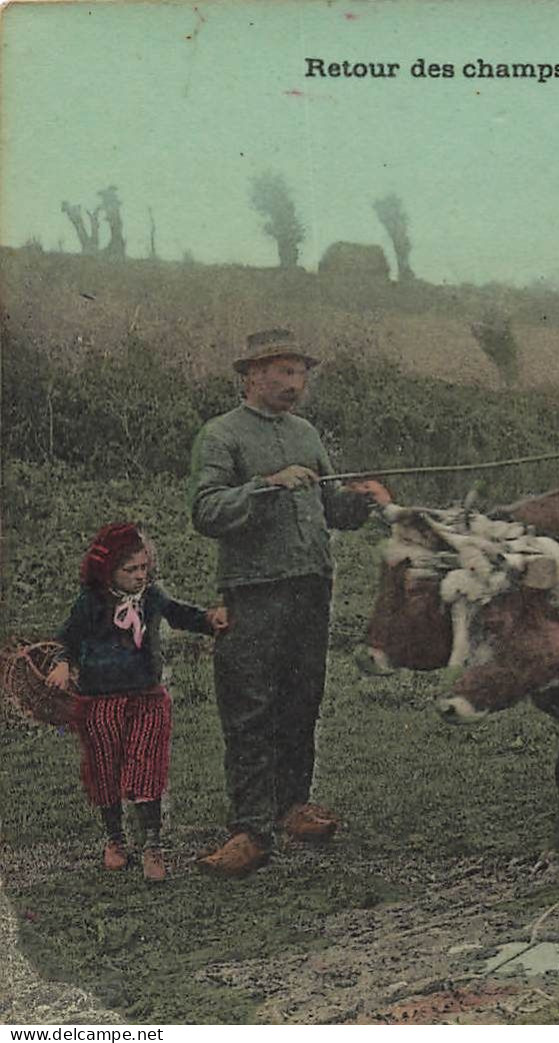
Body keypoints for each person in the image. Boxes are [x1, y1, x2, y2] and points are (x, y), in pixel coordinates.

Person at [188, 328, 392, 878]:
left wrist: (364, 500)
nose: (295, 383)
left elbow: (331, 507)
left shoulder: (305, 433)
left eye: (301, 373)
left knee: (302, 700)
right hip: (254, 592)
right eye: (284, 372)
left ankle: (293, 808)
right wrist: (268, 485)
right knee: (250, 707)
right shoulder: (221, 436)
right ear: (252, 375)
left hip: (310, 587)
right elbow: (206, 511)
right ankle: (250, 830)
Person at [48, 523, 227, 882]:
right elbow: (66, 638)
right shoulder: (90, 601)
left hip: (146, 695)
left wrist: (209, 619)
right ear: (107, 569)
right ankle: (115, 839)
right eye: (130, 569)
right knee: (105, 768)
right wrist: (62, 663)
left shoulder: (150, 596)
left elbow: (179, 613)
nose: (139, 575)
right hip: (99, 700)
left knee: (147, 766)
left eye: (144, 567)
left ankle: (152, 844)